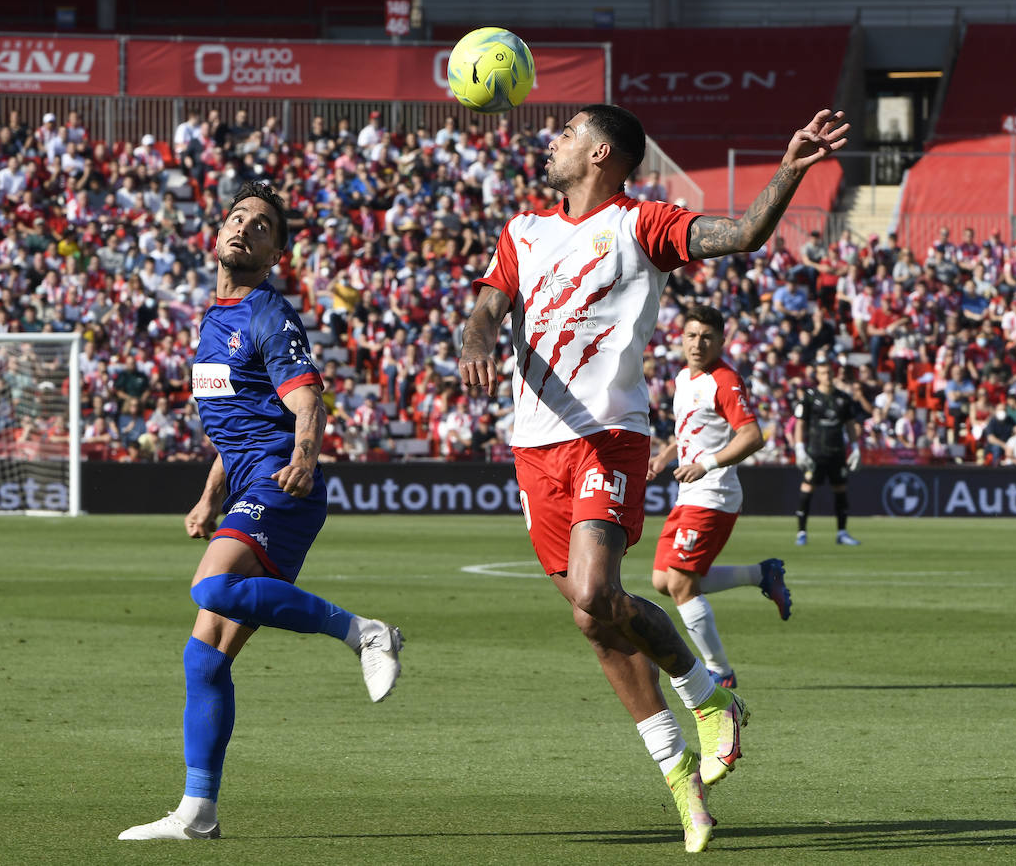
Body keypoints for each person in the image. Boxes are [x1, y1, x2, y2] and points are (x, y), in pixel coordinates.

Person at [459, 103, 848, 852]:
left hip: (607, 440)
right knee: (590, 617)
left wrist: (791, 168)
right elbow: (485, 309)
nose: (554, 141)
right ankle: (681, 783)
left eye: (567, 133)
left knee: (600, 592)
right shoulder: (524, 233)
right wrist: (476, 339)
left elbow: (739, 236)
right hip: (534, 448)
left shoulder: (642, 225)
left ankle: (708, 697)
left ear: (602, 152)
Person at [119, 182, 403, 842]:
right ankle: (199, 813)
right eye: (238, 216)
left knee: (213, 587)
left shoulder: (267, 314)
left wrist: (305, 457)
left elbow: (306, 403)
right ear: (216, 232)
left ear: (275, 253)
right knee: (205, 659)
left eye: (263, 225)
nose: (246, 227)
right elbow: (240, 425)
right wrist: (209, 494)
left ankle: (364, 632)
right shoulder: (214, 319)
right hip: (248, 481)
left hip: (281, 484)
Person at [646, 305, 792, 690]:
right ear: (681, 338)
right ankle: (762, 574)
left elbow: (752, 436)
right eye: (692, 336)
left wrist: (707, 464)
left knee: (680, 582)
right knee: (663, 580)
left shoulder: (724, 381)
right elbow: (693, 429)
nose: (698, 343)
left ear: (721, 341)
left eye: (707, 337)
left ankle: (720, 672)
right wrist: (665, 455)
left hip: (714, 492)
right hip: (691, 490)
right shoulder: (683, 378)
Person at [793, 359, 864, 546]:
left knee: (841, 490)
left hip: (837, 452)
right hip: (816, 452)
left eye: (830, 373)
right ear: (817, 376)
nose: (828, 376)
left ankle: (842, 532)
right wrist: (799, 448)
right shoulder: (809, 397)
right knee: (808, 487)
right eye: (824, 373)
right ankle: (801, 532)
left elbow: (850, 425)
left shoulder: (843, 398)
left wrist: (855, 448)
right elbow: (800, 424)